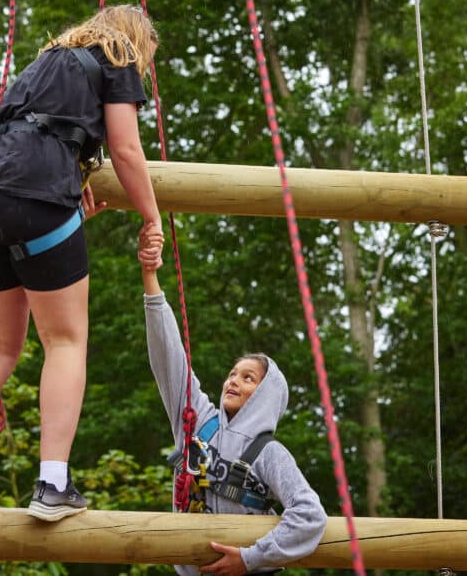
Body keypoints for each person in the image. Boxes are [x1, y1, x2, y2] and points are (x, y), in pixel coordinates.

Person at [0, 5, 164, 521]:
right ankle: (53, 482)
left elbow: (31, 135)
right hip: (32, 193)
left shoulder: (46, 62)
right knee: (66, 339)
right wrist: (152, 218)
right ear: (136, 43)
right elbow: (124, 146)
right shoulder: (117, 55)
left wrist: (70, 184)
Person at [139, 224, 327, 575]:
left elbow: (310, 515)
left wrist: (250, 558)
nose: (233, 381)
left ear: (266, 395)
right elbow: (169, 357)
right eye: (232, 374)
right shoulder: (197, 422)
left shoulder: (268, 452)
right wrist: (150, 276)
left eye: (248, 377)